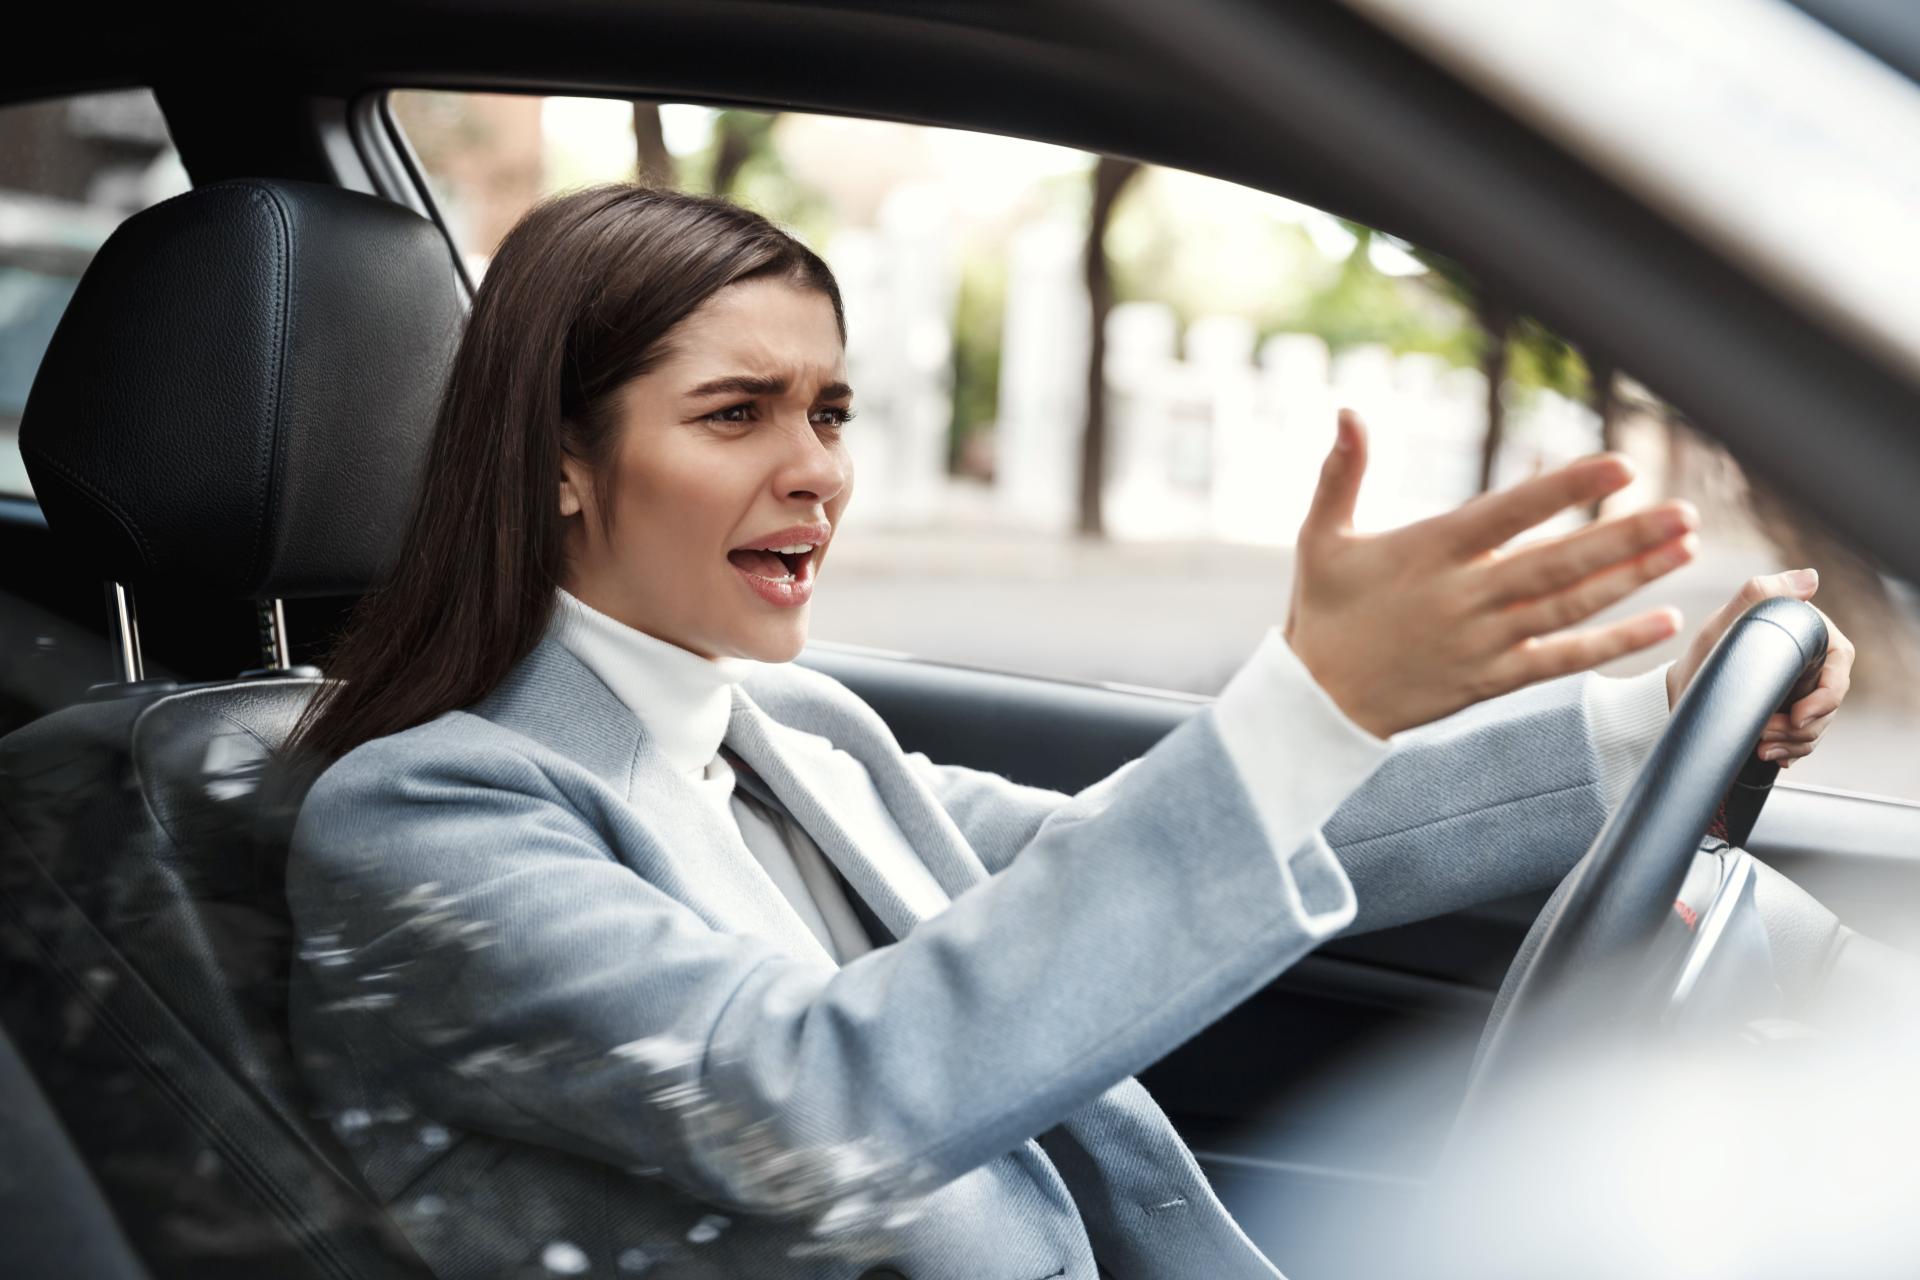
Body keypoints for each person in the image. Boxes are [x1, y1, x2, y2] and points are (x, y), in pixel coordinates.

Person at [284, 184, 1853, 1279]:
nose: (820, 469)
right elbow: (813, 1103)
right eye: (736, 411)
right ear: (559, 461)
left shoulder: (793, 725)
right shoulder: (426, 818)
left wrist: (1648, 726)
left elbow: (1124, 866)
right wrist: (1313, 699)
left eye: (831, 411)